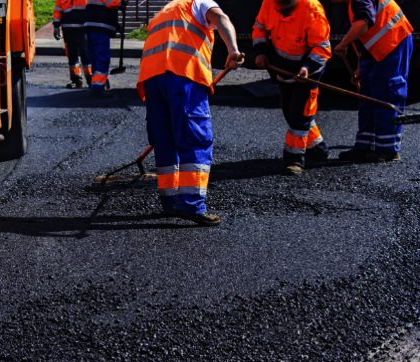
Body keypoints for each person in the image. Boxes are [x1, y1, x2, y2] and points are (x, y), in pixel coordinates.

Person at [137, 0, 244, 226]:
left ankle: (170, 202)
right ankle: (192, 205)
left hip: (152, 79)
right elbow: (221, 18)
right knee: (195, 139)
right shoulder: (199, 2)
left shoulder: (164, 11)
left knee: (165, 141)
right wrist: (233, 49)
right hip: (183, 75)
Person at [253, 0, 333, 176]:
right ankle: (319, 149)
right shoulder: (268, 3)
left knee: (299, 115)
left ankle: (294, 159)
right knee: (290, 111)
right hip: (282, 68)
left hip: (308, 70)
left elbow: (321, 47)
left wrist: (307, 68)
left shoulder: (312, 8)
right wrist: (260, 52)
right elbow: (259, 29)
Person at [332, 0, 413, 162]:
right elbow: (365, 37)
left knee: (387, 94)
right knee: (367, 97)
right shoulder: (347, 5)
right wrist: (361, 66)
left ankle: (388, 149)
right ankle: (364, 145)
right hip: (375, 50)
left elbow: (363, 23)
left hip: (393, 42)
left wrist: (343, 43)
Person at [84, 0, 123, 97]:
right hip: (99, 26)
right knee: (102, 57)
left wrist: (116, 25)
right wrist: (123, 2)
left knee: (95, 58)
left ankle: (96, 83)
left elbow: (102, 8)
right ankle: (98, 87)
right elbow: (112, 3)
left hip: (92, 25)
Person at [53, 0, 93, 88]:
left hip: (83, 29)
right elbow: (58, 10)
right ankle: (76, 80)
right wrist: (56, 26)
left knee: (85, 53)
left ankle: (91, 80)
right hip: (68, 29)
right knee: (72, 55)